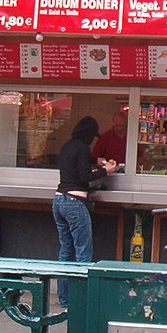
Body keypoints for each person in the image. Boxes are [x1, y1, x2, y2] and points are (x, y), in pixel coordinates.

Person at [54, 116, 117, 307]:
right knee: (83, 251)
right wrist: (107, 171)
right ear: (89, 135)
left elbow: (78, 163)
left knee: (66, 250)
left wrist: (97, 161)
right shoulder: (82, 148)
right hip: (75, 202)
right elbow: (84, 176)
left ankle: (64, 298)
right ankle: (81, 298)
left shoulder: (68, 146)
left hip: (58, 201)